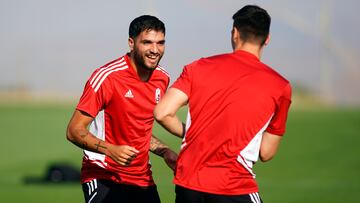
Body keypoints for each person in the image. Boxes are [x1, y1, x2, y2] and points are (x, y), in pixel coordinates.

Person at [154, 5, 292, 203]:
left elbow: (162, 112)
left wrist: (192, 132)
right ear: (267, 38)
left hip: (188, 185)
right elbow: (266, 152)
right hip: (233, 186)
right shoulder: (280, 87)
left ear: (235, 33)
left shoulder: (198, 67)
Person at [66, 15, 177, 203]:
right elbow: (74, 130)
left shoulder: (162, 78)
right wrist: (110, 149)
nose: (155, 50)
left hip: (142, 179)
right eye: (147, 42)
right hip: (103, 174)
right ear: (131, 43)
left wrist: (165, 151)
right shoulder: (107, 77)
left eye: (160, 43)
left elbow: (140, 132)